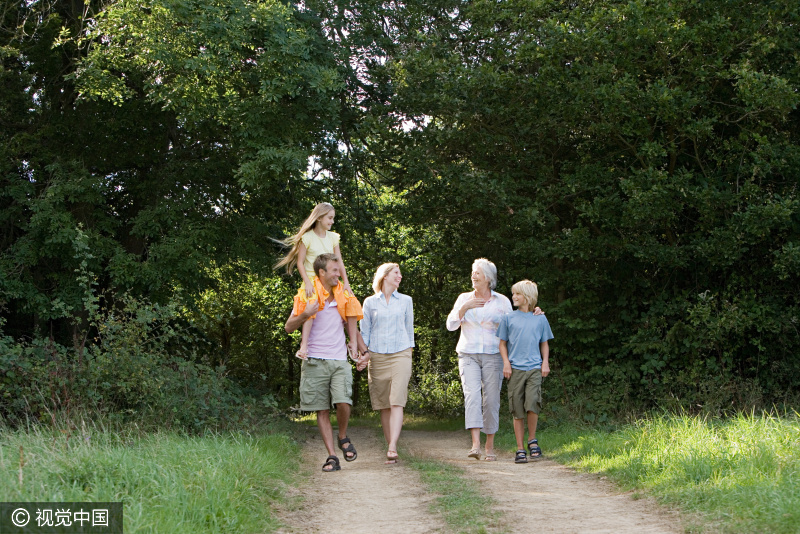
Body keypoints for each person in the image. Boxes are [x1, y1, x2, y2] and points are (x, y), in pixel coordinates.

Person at [284, 253, 366, 472]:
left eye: (339, 270)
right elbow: (289, 327)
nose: (339, 274)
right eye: (334, 270)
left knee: (343, 402)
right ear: (321, 273)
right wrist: (305, 314)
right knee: (321, 410)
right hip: (314, 361)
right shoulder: (307, 295)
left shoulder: (344, 296)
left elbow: (352, 328)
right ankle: (332, 456)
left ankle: (342, 435)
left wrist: (361, 351)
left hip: (339, 360)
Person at [446, 258, 511, 461]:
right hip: (468, 354)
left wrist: (534, 314)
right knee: (472, 396)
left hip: (494, 355)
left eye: (477, 272)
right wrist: (465, 307)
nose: (473, 275)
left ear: (488, 278)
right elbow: (450, 325)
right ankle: (475, 445)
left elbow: (513, 326)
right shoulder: (463, 298)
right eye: (473, 272)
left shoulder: (502, 301)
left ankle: (489, 445)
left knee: (491, 400)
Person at [275, 202, 355, 359]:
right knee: (312, 304)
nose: (332, 222)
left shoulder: (333, 238)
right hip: (312, 279)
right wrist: (308, 282)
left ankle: (354, 344)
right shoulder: (307, 237)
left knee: (351, 302)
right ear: (319, 218)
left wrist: (346, 282)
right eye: (329, 218)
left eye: (333, 218)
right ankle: (304, 346)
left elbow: (339, 262)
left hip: (330, 279)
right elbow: (300, 262)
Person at [359, 263, 414, 464]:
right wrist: (363, 355)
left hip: (401, 353)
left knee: (396, 400)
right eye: (396, 273)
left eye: (400, 273)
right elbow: (364, 332)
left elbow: (410, 329)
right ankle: (389, 445)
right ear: (384, 276)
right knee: (384, 405)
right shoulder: (370, 303)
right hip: (377, 356)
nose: (400, 276)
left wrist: (409, 351)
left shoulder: (406, 300)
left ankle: (392, 447)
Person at [497, 280, 553, 464]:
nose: (513, 297)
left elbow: (544, 343)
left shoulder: (540, 318)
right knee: (517, 409)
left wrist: (545, 363)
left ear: (528, 297)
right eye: (513, 293)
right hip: (515, 370)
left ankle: (532, 440)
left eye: (517, 294)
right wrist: (506, 363)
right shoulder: (508, 318)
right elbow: (502, 344)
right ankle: (520, 448)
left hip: (534, 368)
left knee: (533, 404)